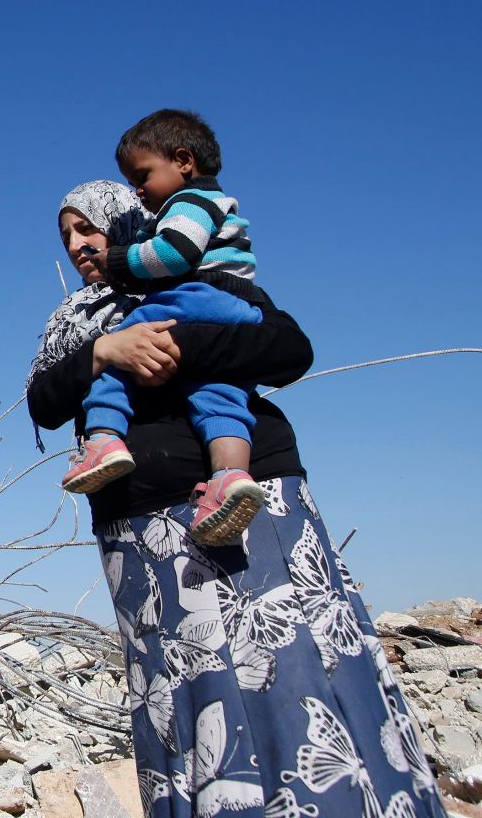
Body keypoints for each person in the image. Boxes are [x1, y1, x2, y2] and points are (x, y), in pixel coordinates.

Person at [29, 181, 444, 818]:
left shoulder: (211, 275)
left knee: (297, 672)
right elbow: (43, 402)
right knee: (190, 699)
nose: (80, 246)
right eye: (67, 239)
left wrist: (174, 342)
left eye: (89, 228)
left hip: (256, 504)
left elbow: (287, 349)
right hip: (140, 528)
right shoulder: (75, 321)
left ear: (134, 223)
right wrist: (104, 351)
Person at [64, 110, 268, 547]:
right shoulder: (212, 204)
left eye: (142, 176)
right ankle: (229, 479)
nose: (138, 189)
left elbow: (174, 253)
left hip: (196, 296)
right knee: (223, 398)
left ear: (183, 161)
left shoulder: (189, 203)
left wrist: (120, 262)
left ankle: (103, 439)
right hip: (235, 305)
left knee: (120, 348)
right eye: (66, 236)